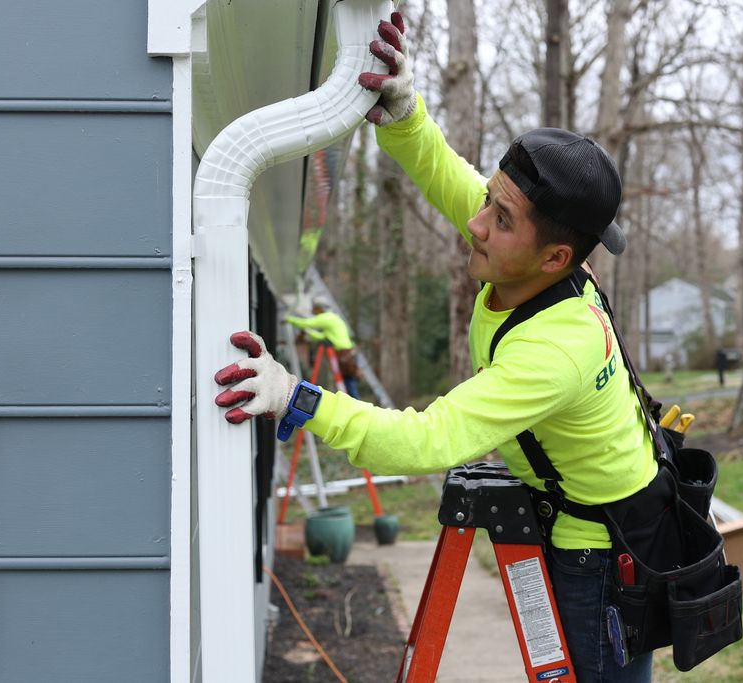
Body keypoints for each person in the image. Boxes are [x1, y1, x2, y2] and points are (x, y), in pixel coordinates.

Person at [214, 12, 655, 682]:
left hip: (602, 556)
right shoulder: (535, 255)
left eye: (500, 219)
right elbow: (452, 177)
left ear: (557, 256)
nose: (475, 223)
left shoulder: (557, 349)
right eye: (491, 201)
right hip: (578, 515)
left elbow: (427, 440)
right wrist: (405, 111)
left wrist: (295, 398)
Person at [285, 299, 361, 398]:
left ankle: (357, 407)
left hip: (344, 355)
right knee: (349, 384)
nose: (314, 313)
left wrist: (290, 319)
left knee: (350, 386)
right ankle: (355, 404)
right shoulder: (334, 318)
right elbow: (322, 337)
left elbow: (307, 322)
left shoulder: (326, 318)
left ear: (319, 309)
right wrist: (308, 332)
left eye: (315, 310)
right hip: (347, 353)